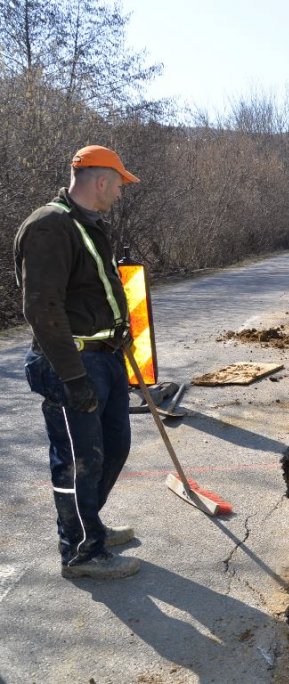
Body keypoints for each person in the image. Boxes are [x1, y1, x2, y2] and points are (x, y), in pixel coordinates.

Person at [14, 145, 142, 580]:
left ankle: (90, 526)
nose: (121, 194)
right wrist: (72, 376)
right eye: (120, 185)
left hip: (104, 359)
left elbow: (94, 292)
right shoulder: (50, 226)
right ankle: (81, 552)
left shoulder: (86, 224)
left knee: (114, 448)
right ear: (101, 181)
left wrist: (120, 334)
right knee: (77, 460)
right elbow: (42, 308)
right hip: (71, 363)